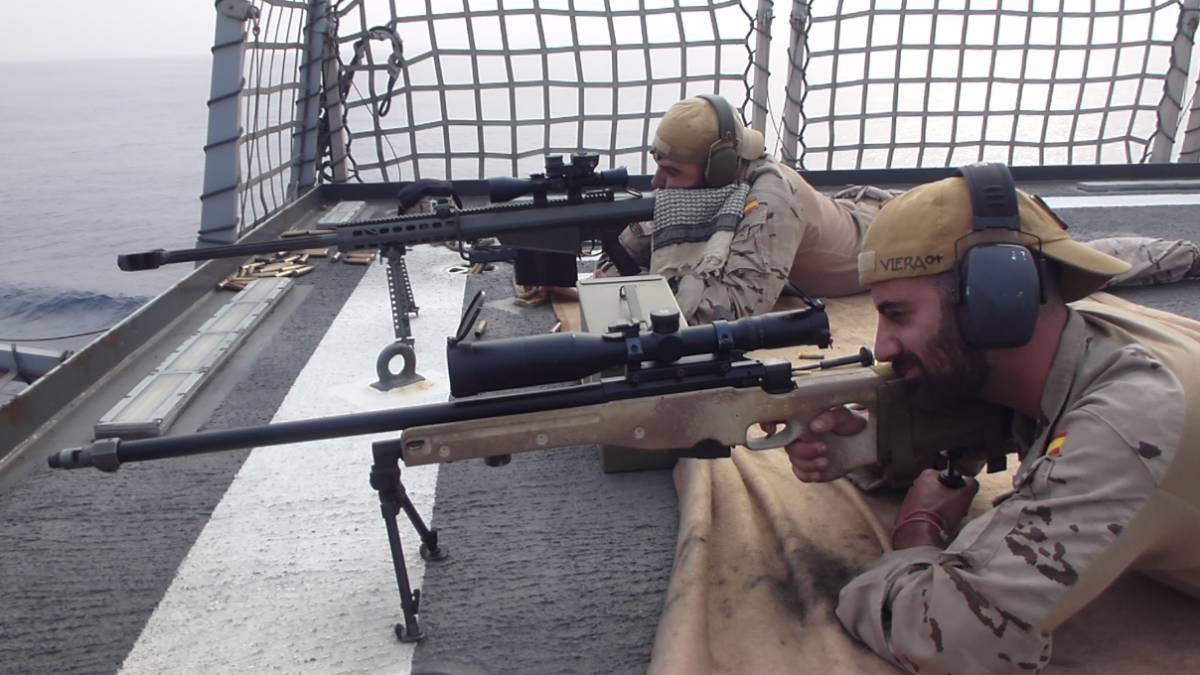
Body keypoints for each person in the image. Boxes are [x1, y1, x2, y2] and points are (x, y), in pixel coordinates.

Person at [782, 168, 1200, 674]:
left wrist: (919, 530)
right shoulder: (1094, 340)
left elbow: (953, 640)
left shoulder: (1125, 425)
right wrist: (876, 444)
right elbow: (995, 418)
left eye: (898, 315)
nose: (885, 345)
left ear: (996, 301)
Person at [593, 94, 893, 323]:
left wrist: (644, 294)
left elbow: (735, 309)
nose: (658, 182)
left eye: (672, 172)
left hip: (885, 231)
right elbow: (611, 264)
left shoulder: (772, 197)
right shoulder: (699, 189)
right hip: (847, 209)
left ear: (718, 168)